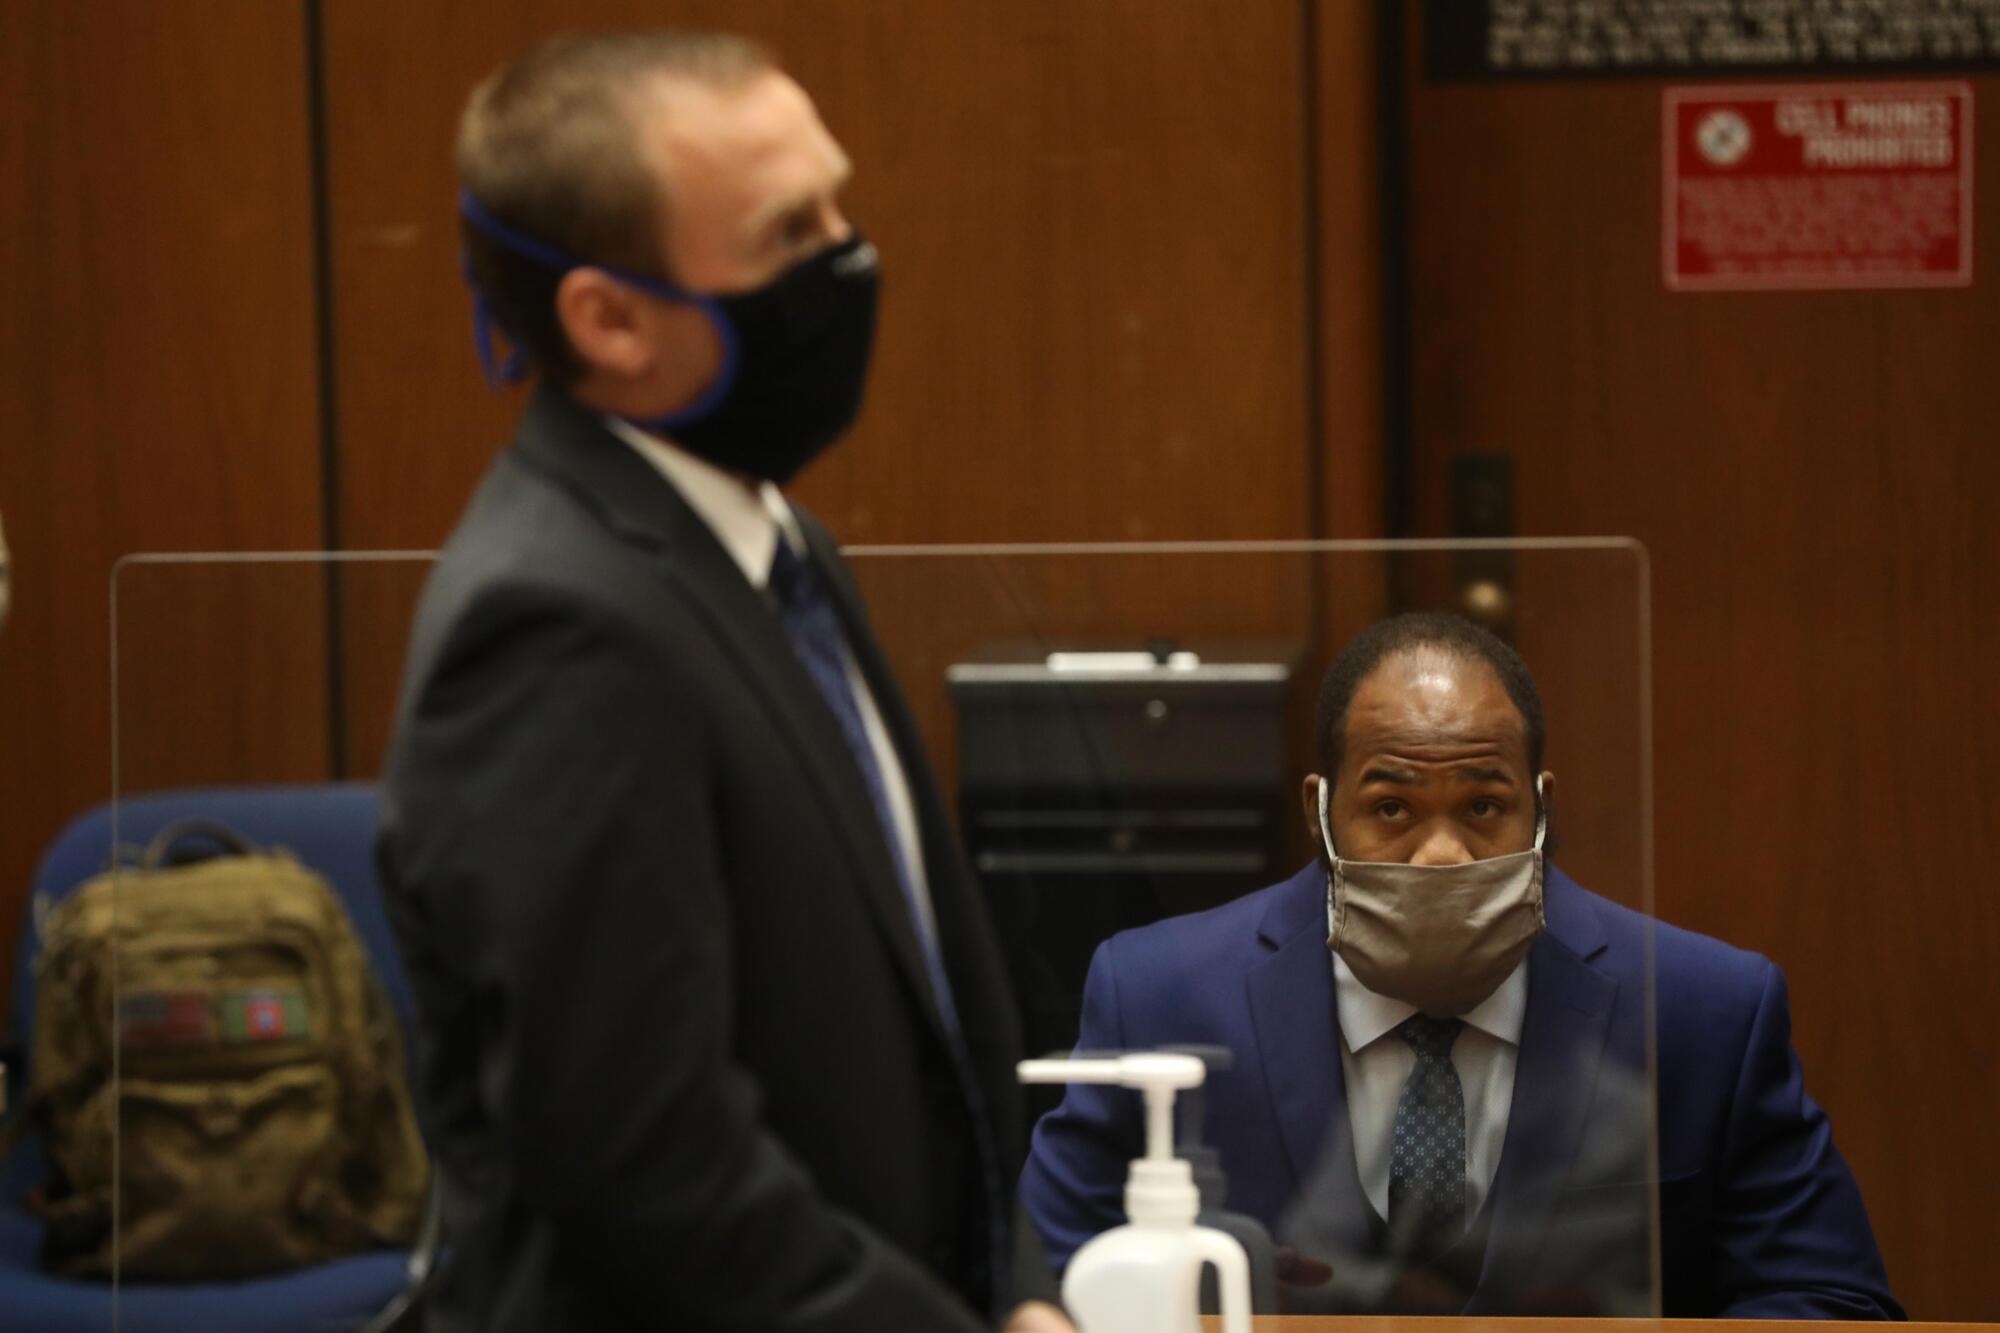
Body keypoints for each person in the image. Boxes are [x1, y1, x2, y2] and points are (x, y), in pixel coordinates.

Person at [377, 31, 1066, 1332]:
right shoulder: (551, 625)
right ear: (610, 318)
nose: (850, 257)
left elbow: (936, 1019)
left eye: (836, 202)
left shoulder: (777, 549)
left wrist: (1018, 1288)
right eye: (788, 232)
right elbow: (646, 1162)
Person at [1019, 612, 1900, 1318]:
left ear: (1542, 810)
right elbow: (1034, 1281)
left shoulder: (1703, 1010)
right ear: (1319, 812)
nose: (1442, 853)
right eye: (1392, 805)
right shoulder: (1160, 995)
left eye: (1484, 803)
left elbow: (1831, 1301)